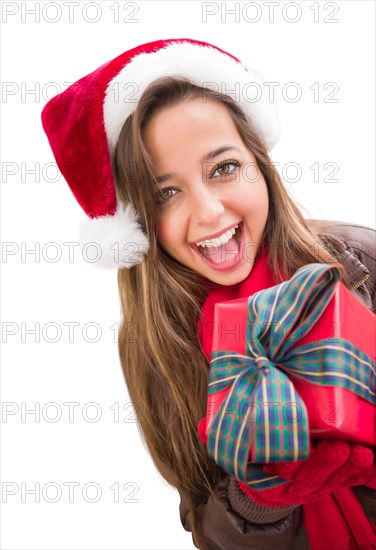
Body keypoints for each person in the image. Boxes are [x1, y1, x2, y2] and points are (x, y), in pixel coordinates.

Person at [41, 38, 376, 550]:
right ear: (137, 219)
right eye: (165, 193)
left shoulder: (359, 263)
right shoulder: (157, 346)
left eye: (223, 168)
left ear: (258, 163)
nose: (210, 212)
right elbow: (203, 524)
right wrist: (259, 501)